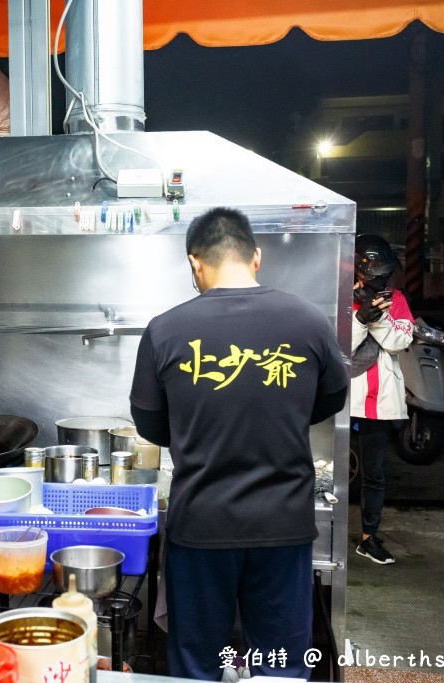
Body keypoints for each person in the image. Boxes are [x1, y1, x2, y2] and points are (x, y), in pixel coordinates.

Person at [129, 207, 348, 681]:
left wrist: (196, 429)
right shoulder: (308, 321)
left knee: (197, 664)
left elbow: (149, 425)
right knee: (281, 665)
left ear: (195, 263)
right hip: (283, 526)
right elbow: (330, 397)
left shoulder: (165, 330)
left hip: (201, 526)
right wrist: (279, 419)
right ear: (256, 258)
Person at [349, 234, 414, 565]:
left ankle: (368, 537)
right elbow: (336, 346)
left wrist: (377, 316)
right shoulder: (341, 297)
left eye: (383, 274)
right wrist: (360, 317)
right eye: (374, 273)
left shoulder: (396, 298)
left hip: (379, 399)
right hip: (342, 396)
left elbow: (400, 341)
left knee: (374, 473)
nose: (379, 279)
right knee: (320, 468)